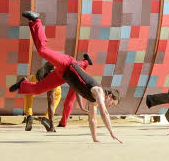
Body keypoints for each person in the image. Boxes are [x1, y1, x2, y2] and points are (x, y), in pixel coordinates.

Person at [9, 11, 121, 143]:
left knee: (38, 89)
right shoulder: (99, 92)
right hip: (67, 63)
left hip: (62, 76)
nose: (110, 107)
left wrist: (95, 139)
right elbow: (104, 113)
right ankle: (36, 20)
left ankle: (23, 83)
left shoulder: (93, 101)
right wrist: (111, 131)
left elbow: (93, 119)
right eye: (112, 104)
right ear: (110, 96)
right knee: (42, 50)